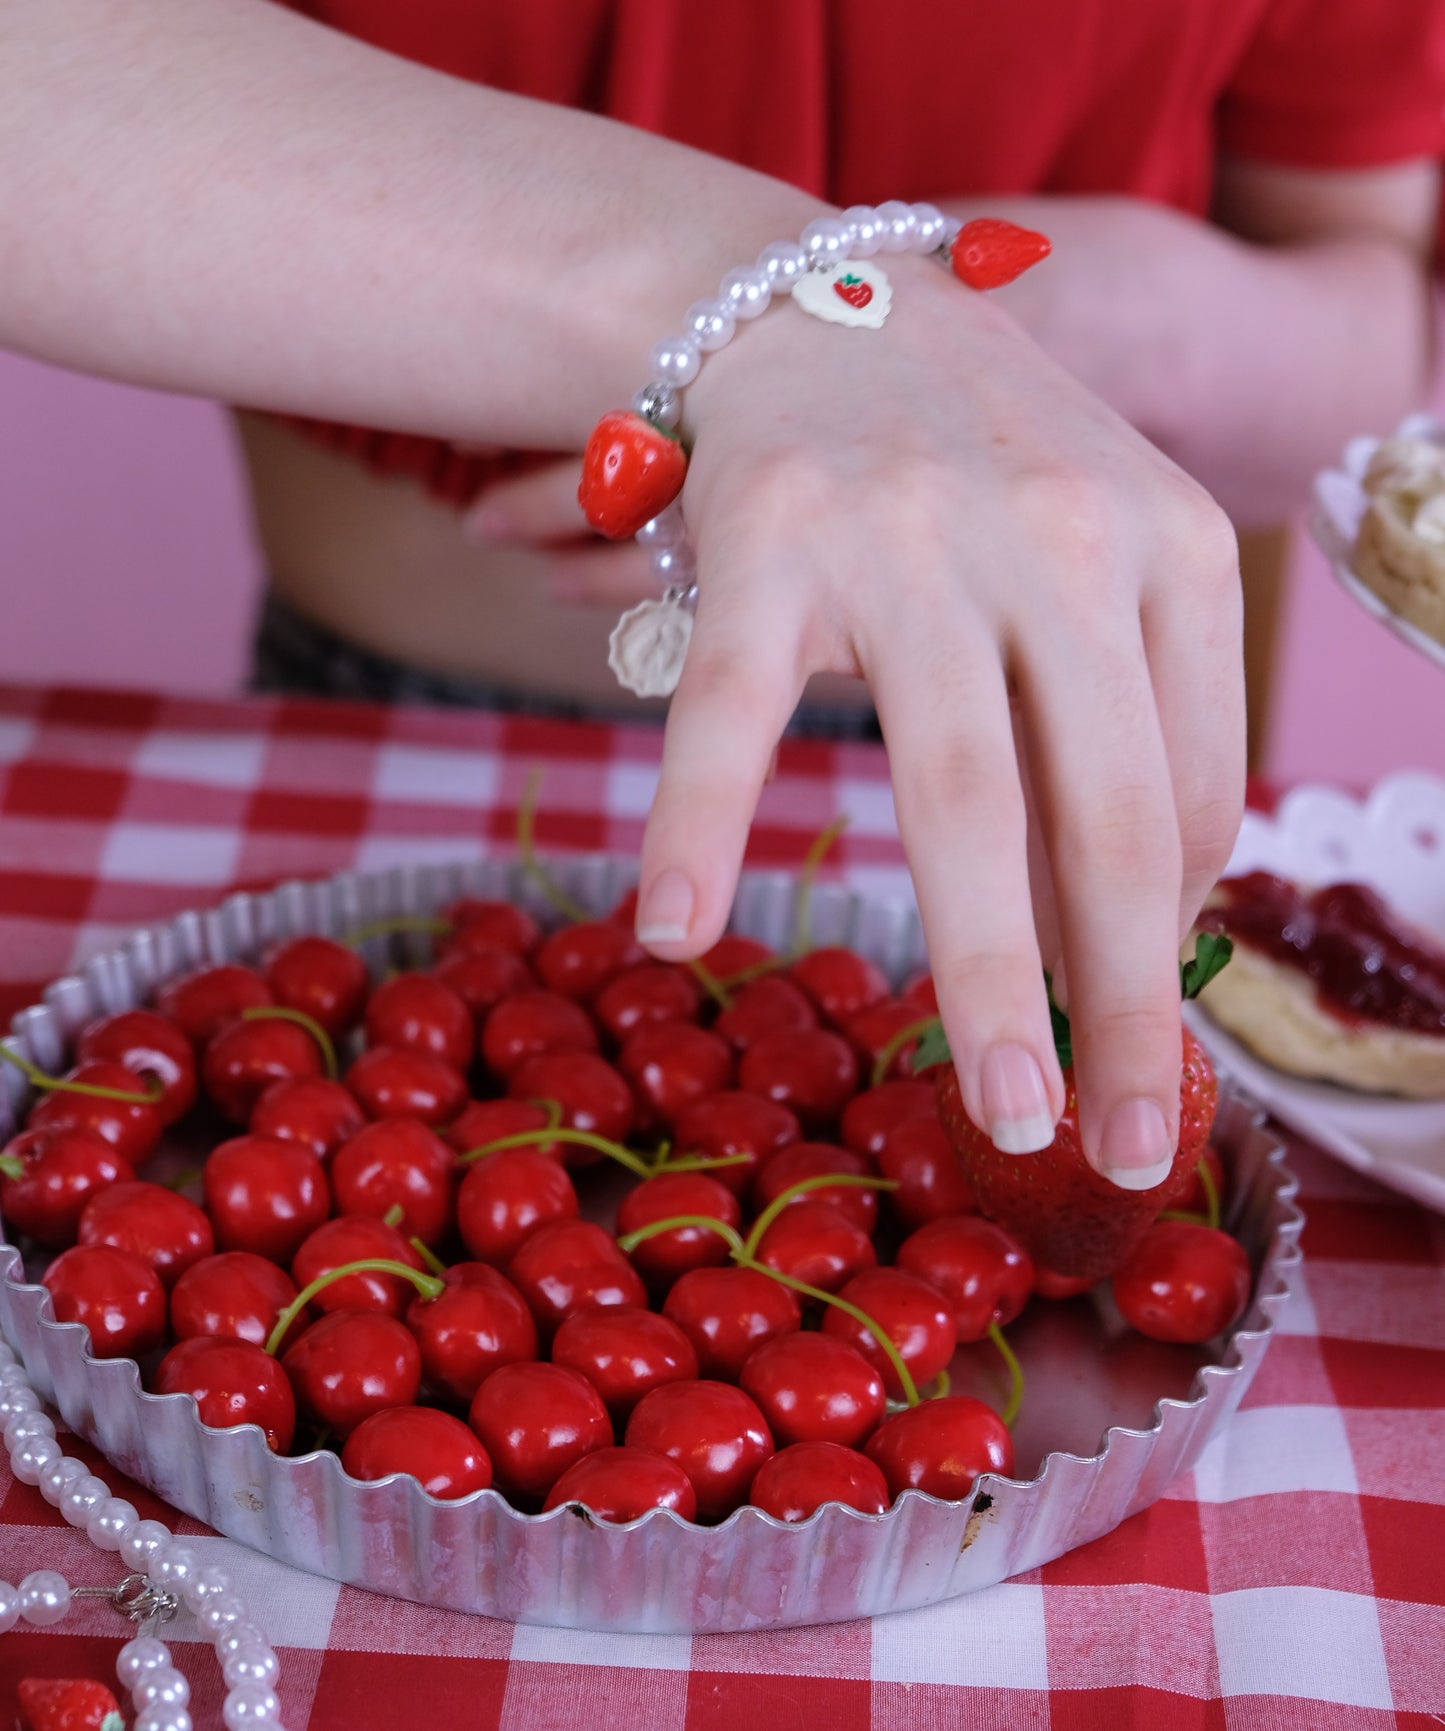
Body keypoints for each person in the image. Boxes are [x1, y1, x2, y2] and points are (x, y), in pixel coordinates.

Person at [4, 1, 1443, 1194]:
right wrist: (801, 309)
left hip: (1047, 768)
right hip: (387, 738)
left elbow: (1368, 322)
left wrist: (1092, 329)